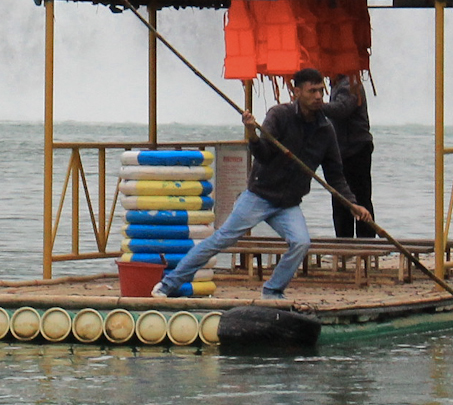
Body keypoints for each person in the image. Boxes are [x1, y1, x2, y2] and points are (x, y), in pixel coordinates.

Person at [156, 67, 369, 301]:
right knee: (221, 239)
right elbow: (264, 155)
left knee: (301, 243)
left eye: (321, 90)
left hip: (288, 203)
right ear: (296, 91)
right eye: (312, 91)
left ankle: (273, 290)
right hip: (260, 196)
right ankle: (168, 285)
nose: (318, 96)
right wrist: (252, 134)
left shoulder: (325, 130)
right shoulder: (279, 115)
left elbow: (335, 175)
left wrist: (351, 203)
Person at [326, 68, 376, 239]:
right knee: (342, 200)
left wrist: (315, 106)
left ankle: (365, 243)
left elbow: (341, 109)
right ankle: (344, 242)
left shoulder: (350, 84)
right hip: (343, 150)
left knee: (358, 198)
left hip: (355, 150)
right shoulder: (338, 84)